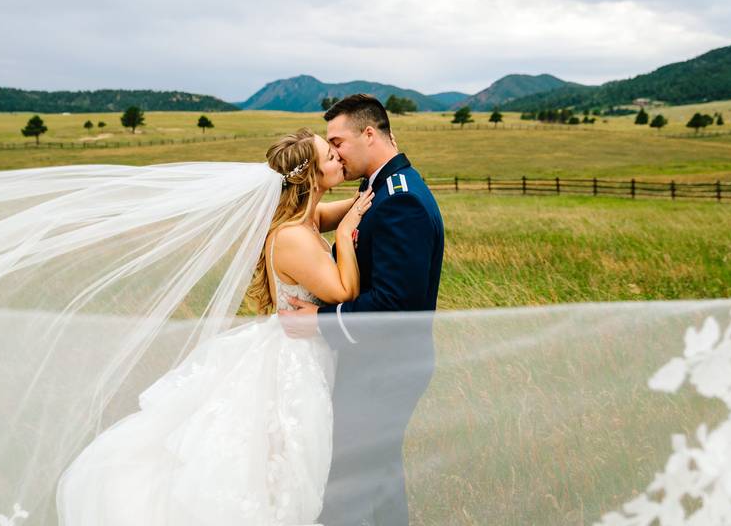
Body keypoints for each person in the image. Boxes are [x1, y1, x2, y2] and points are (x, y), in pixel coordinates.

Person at [56, 128, 375, 526]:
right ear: (310, 176)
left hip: (298, 346)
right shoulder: (294, 236)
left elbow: (335, 211)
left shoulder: (305, 219)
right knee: (280, 466)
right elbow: (345, 290)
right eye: (330, 156)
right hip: (294, 359)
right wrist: (346, 236)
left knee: (281, 462)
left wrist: (371, 197)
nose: (339, 160)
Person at [280, 94, 445, 526]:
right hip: (373, 363)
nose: (334, 153)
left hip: (385, 368)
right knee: (378, 479)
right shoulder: (377, 189)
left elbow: (395, 305)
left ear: (369, 134)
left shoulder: (400, 201)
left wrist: (318, 322)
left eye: (338, 142)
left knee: (348, 487)